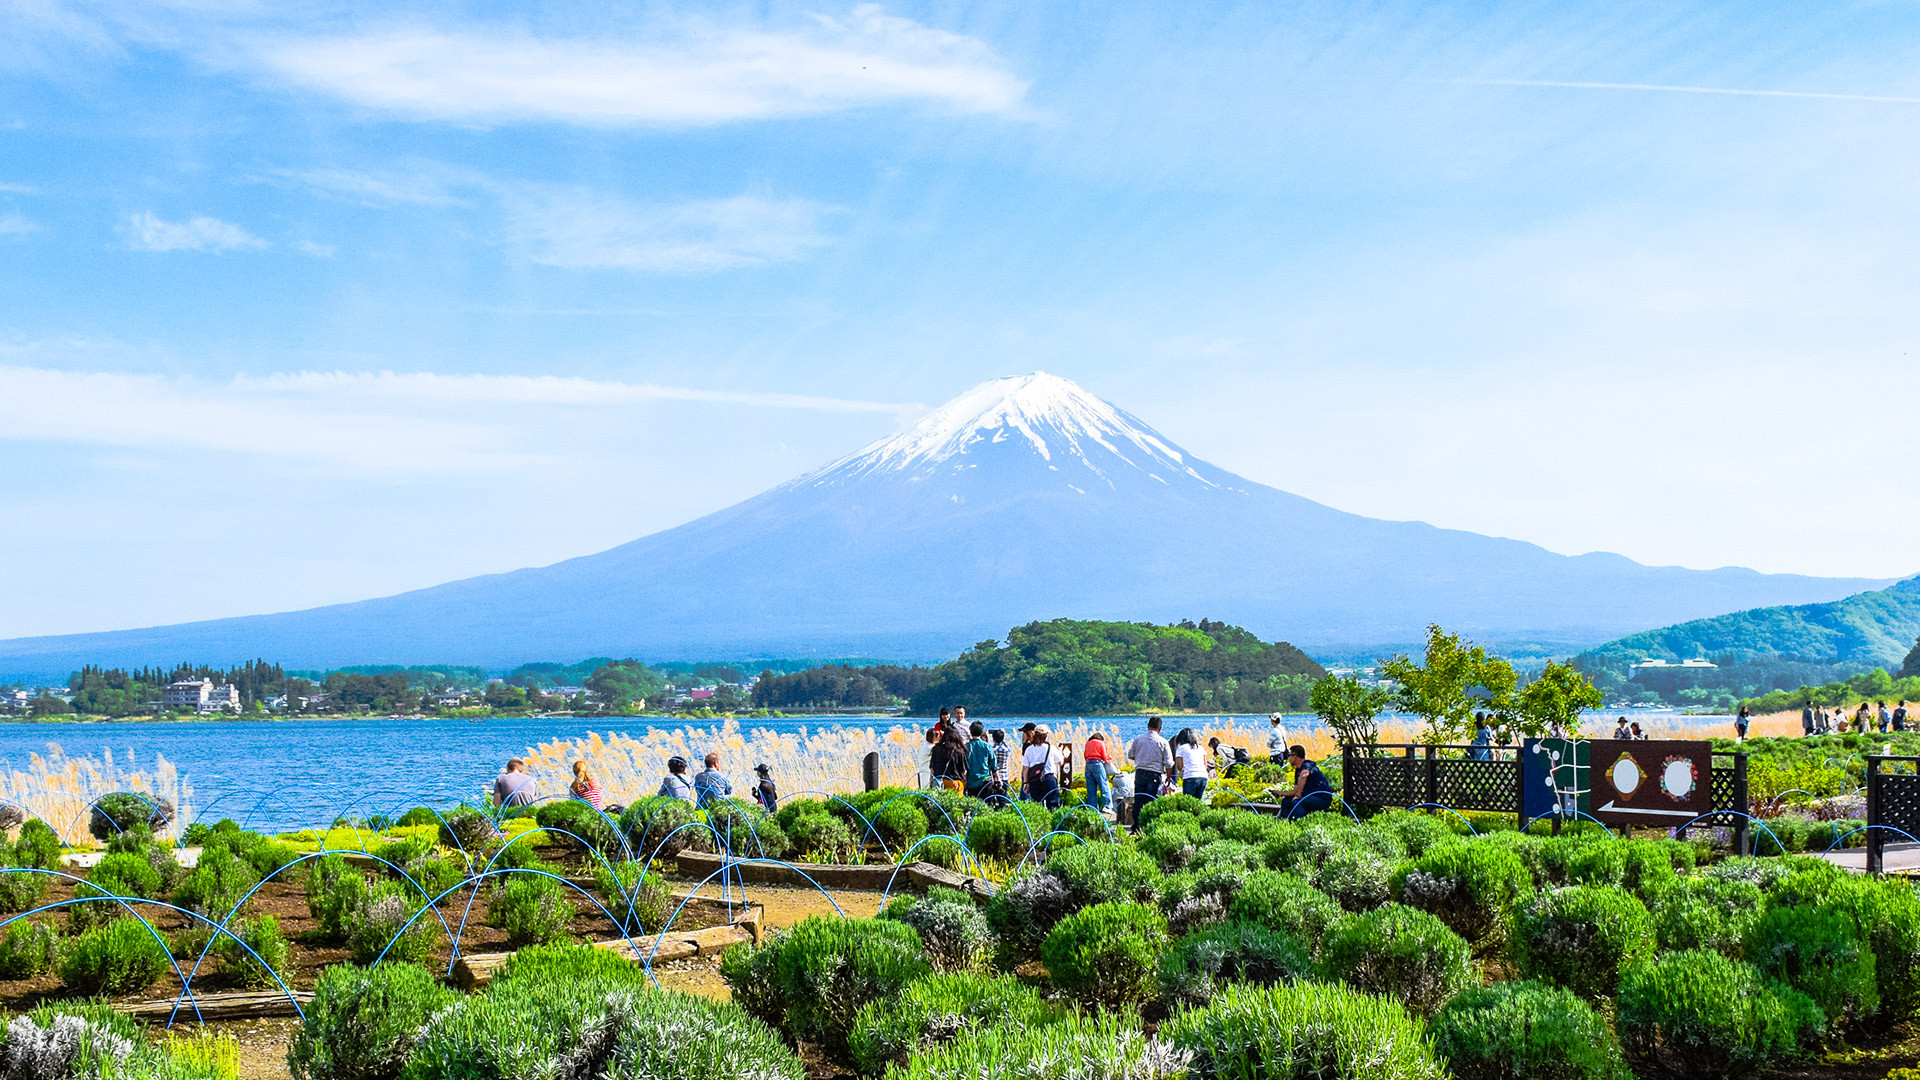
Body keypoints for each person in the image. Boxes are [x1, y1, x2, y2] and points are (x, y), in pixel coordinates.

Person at [1126, 716, 1173, 829]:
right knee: (1150, 800)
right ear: (1160, 728)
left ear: (1148, 726)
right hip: (1154, 774)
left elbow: (1130, 755)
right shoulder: (1163, 742)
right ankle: (1147, 826)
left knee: (1139, 800)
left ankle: (1136, 826)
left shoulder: (1138, 739)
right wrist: (1168, 776)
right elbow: (1169, 763)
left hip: (1140, 773)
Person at [1281, 744, 1335, 818]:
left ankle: (1299, 824)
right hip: (1309, 797)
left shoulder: (1307, 765)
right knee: (1286, 802)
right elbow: (1295, 790)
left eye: (1289, 755)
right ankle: (1285, 824)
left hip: (1321, 798)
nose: (1288, 758)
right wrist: (1281, 793)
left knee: (1298, 802)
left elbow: (1304, 775)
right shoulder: (1298, 770)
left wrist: (1298, 795)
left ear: (1295, 757)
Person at [1023, 724, 1062, 808]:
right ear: (1045, 736)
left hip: (1034, 779)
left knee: (1036, 805)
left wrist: (1026, 783)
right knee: (1053, 804)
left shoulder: (1029, 749)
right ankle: (1053, 820)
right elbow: (1061, 762)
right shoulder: (1051, 748)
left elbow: (1025, 768)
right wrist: (1060, 751)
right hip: (1048, 778)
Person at [1082, 730, 1112, 812]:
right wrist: (1109, 758)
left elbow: (1085, 755)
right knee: (1104, 785)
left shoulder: (1087, 744)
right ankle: (1107, 806)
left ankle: (1093, 809)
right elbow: (1105, 757)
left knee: (1091, 788)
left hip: (1088, 765)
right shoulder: (1101, 743)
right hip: (1097, 764)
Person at [1175, 728, 1209, 799]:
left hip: (1190, 777)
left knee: (1188, 803)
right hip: (1203, 777)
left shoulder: (1181, 748)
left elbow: (1180, 767)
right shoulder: (1200, 747)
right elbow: (1205, 765)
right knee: (1197, 803)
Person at [964, 722, 996, 798]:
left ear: (970, 732)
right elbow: (993, 764)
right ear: (981, 732)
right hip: (985, 779)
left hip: (970, 780)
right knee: (986, 803)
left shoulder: (966, 747)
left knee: (973, 804)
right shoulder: (987, 746)